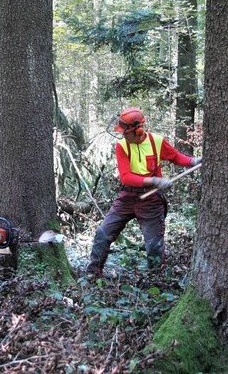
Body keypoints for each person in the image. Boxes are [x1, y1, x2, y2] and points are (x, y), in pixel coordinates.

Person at [86, 107, 201, 278]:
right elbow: (126, 178)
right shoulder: (122, 146)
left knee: (154, 245)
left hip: (151, 200)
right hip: (127, 196)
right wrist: (155, 180)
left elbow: (176, 157)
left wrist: (193, 161)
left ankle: (156, 281)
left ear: (138, 130)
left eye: (126, 133)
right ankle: (92, 275)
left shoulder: (157, 142)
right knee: (102, 234)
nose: (123, 136)